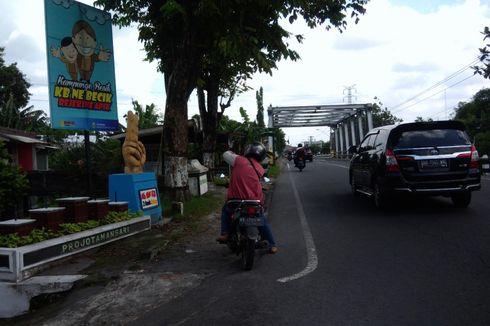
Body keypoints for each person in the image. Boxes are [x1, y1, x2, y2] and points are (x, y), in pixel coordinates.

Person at [216, 142, 278, 254]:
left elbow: (225, 154)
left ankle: (225, 234)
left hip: (235, 201)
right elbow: (258, 180)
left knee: (225, 210)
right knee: (262, 219)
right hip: (255, 201)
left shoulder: (238, 160)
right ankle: (272, 244)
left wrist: (231, 150)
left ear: (248, 150)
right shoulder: (260, 168)